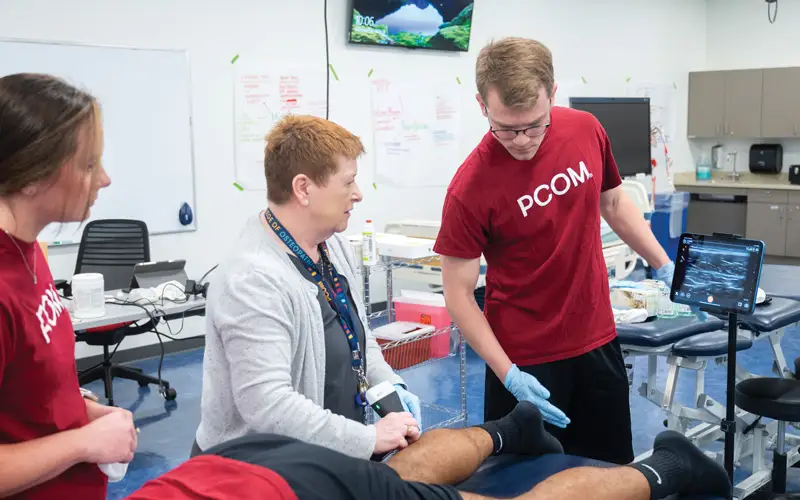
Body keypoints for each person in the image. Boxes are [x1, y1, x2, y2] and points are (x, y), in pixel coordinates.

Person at [433, 36, 701, 465]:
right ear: (482, 106)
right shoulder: (470, 188)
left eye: (535, 124)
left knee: (610, 473)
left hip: (597, 340)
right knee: (525, 484)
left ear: (553, 95)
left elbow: (612, 202)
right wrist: (508, 375)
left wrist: (664, 264)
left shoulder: (585, 129)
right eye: (505, 127)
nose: (521, 140)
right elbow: (459, 295)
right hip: (524, 360)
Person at [193, 114, 422, 460]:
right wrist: (366, 439)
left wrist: (389, 391)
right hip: (255, 470)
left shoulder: (330, 246)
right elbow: (268, 406)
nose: (358, 194)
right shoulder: (251, 279)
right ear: (303, 189)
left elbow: (359, 335)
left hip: (319, 453)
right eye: (348, 183)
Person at [128, 402, 732, 500]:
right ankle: (511, 430)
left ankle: (669, 466)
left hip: (283, 488)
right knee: (398, 478)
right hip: (233, 463)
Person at [0, 73, 138, 498]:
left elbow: (30, 389)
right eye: (89, 165)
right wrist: (81, 443)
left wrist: (85, 412)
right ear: (31, 175)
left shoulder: (28, 247)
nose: (104, 179)